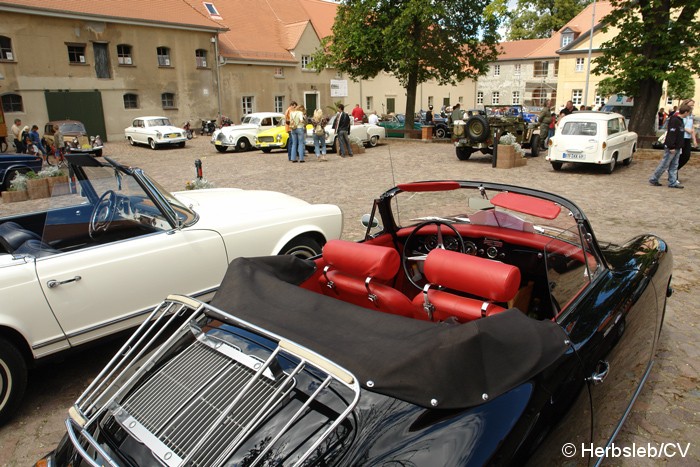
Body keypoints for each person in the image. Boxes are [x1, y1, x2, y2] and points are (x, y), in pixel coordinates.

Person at [649, 103, 690, 189]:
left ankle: (673, 182)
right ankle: (654, 178)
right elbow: (671, 134)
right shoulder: (675, 120)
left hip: (677, 147)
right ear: (686, 112)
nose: (688, 115)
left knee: (674, 165)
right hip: (672, 147)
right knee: (665, 164)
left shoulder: (680, 120)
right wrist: (671, 146)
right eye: (688, 113)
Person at [678, 99, 696, 172]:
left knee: (686, 156)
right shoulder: (679, 113)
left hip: (687, 138)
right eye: (691, 105)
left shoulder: (691, 115)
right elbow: (677, 124)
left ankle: (674, 169)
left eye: (693, 105)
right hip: (680, 137)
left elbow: (692, 127)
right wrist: (686, 129)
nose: (692, 107)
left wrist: (694, 140)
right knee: (677, 156)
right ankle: (673, 174)